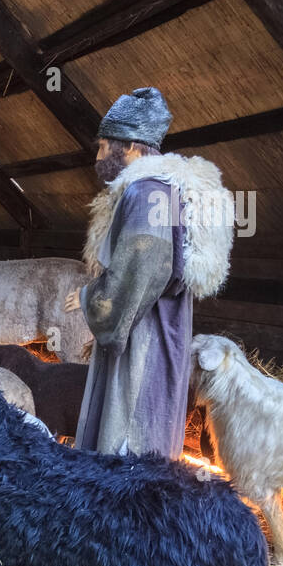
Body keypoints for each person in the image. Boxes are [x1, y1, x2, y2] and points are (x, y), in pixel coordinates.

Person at [69, 86, 235, 458]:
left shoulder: (146, 194)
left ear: (128, 145)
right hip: (164, 336)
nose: (97, 157)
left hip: (144, 347)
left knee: (129, 449)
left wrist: (90, 297)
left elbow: (139, 273)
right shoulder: (165, 189)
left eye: (102, 146)